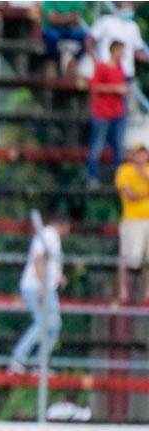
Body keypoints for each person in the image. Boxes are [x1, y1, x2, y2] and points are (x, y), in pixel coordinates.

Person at [9, 215, 69, 374]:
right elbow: (38, 259)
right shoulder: (48, 235)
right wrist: (43, 286)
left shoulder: (52, 237)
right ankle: (18, 358)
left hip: (45, 286)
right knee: (44, 323)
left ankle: (39, 363)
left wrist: (57, 276)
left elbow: (48, 262)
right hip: (38, 286)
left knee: (54, 325)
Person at [87, 40, 130, 188]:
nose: (123, 54)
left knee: (118, 147)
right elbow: (94, 87)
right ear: (114, 51)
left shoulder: (120, 68)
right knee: (96, 147)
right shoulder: (102, 67)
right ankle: (92, 177)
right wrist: (115, 89)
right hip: (102, 113)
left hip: (118, 112)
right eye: (121, 51)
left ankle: (118, 179)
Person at [116, 144, 149, 304]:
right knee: (129, 258)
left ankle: (147, 292)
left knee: (147, 258)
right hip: (132, 220)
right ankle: (123, 290)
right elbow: (130, 195)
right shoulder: (125, 170)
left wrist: (144, 176)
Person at [88, 2, 149, 80]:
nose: (128, 10)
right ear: (118, 8)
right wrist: (94, 59)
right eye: (125, 7)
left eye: (130, 7)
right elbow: (89, 40)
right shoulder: (106, 21)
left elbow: (137, 51)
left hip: (126, 72)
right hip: (106, 69)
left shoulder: (134, 26)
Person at [42, 2, 91, 78]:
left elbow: (75, 19)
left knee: (87, 38)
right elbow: (51, 19)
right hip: (53, 30)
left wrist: (58, 18)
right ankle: (52, 62)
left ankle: (73, 62)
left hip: (68, 30)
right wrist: (69, 18)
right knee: (51, 37)